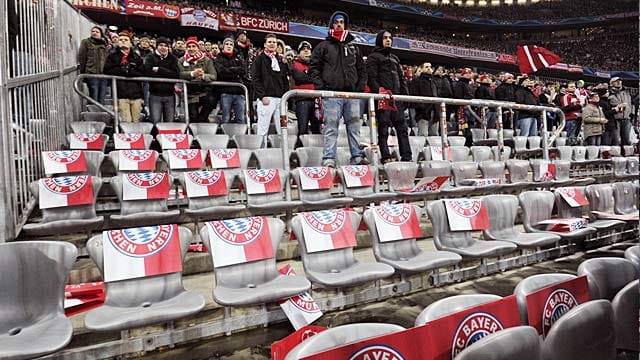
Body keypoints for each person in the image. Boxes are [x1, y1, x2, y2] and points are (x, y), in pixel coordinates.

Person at [309, 11, 368, 167]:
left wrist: (359, 87)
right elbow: (314, 67)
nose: (339, 24)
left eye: (342, 22)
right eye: (336, 22)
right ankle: (329, 158)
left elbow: (362, 69)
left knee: (354, 127)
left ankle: (356, 156)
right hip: (332, 94)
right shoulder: (323, 46)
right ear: (331, 24)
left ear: (345, 25)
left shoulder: (354, 47)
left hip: (352, 94)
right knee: (331, 127)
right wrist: (321, 86)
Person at [366, 30, 411, 163]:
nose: (388, 40)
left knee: (402, 129)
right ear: (380, 39)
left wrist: (405, 95)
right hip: (383, 98)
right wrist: (379, 92)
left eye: (390, 38)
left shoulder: (395, 58)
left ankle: (407, 156)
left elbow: (402, 78)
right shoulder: (373, 57)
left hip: (396, 99)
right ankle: (385, 156)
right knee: (383, 128)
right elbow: (371, 77)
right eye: (385, 38)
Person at [251, 33, 289, 145]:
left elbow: (285, 80)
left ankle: (282, 155)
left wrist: (285, 97)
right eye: (270, 42)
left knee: (283, 130)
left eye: (274, 42)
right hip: (266, 99)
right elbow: (255, 79)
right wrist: (262, 96)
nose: (272, 44)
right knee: (263, 129)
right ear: (265, 44)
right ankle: (261, 154)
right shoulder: (259, 59)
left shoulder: (281, 60)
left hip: (280, 100)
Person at [103, 30, 145, 122]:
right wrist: (121, 70)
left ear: (130, 43)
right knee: (127, 122)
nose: (122, 41)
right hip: (121, 94)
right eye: (120, 39)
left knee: (136, 121)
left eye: (125, 39)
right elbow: (107, 71)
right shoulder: (112, 56)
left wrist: (129, 71)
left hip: (136, 93)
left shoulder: (136, 57)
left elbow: (142, 72)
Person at [178, 36, 217, 123]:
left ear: (198, 48)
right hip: (190, 94)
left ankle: (202, 121)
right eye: (189, 47)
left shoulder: (207, 60)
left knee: (212, 100)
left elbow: (213, 76)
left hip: (204, 92)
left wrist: (203, 76)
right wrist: (192, 74)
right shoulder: (181, 60)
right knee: (193, 117)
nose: (191, 49)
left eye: (193, 46)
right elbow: (179, 74)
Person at [144, 37, 179, 124]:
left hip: (170, 95)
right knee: (155, 122)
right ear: (157, 47)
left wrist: (159, 69)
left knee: (169, 122)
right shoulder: (150, 57)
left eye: (166, 46)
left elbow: (175, 75)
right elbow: (148, 72)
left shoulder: (173, 58)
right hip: (155, 94)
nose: (163, 47)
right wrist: (168, 72)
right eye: (161, 45)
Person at [290, 41, 321, 135]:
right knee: (303, 128)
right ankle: (300, 148)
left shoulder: (316, 64)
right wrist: (313, 78)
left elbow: (320, 78)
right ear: (299, 52)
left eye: (308, 49)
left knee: (317, 129)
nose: (306, 50)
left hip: (315, 100)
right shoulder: (294, 63)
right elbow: (299, 78)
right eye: (303, 49)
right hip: (302, 100)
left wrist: (307, 75)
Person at [214, 37, 247, 124]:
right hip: (225, 92)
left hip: (239, 92)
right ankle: (226, 137)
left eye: (231, 44)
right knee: (226, 118)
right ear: (223, 46)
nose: (229, 46)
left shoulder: (238, 58)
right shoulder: (219, 58)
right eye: (227, 44)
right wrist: (235, 72)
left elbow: (243, 70)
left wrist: (229, 69)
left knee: (241, 119)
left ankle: (241, 137)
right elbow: (221, 72)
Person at [78, 26, 108, 104]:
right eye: (93, 31)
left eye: (97, 32)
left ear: (101, 34)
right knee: (93, 97)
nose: (94, 33)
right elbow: (82, 58)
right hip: (92, 73)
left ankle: (101, 115)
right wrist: (83, 72)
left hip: (104, 75)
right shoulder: (86, 42)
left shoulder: (105, 44)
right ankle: (92, 114)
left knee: (102, 98)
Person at [411, 62, 438, 136]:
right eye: (426, 67)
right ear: (421, 69)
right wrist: (421, 107)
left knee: (434, 135)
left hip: (434, 112)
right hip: (423, 113)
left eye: (430, 67)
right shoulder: (416, 81)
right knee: (423, 135)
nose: (429, 68)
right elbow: (414, 97)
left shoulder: (433, 81)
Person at [608, 77, 634, 145]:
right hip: (615, 119)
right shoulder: (608, 93)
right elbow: (607, 107)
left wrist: (632, 113)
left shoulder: (627, 92)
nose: (619, 82)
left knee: (626, 139)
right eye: (616, 81)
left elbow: (632, 103)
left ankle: (625, 154)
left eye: (620, 81)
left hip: (626, 118)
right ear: (611, 84)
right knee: (616, 140)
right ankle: (616, 153)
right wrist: (617, 108)